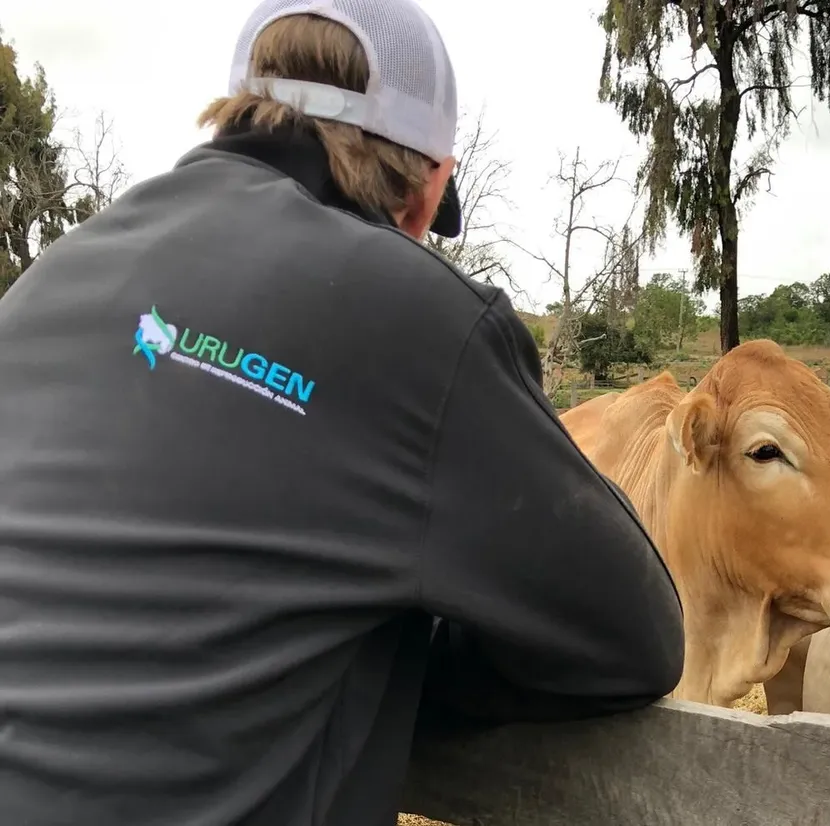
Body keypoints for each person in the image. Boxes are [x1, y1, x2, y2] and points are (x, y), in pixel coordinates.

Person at [0, 1, 684, 824]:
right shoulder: (420, 319)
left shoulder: (50, 276)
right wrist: (390, 659)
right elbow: (635, 638)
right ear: (426, 192)